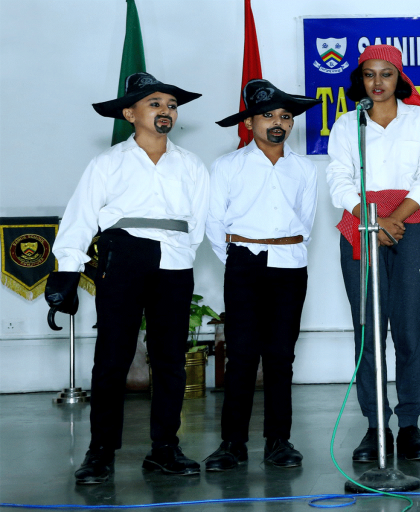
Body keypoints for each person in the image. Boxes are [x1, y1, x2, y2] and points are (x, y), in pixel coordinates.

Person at [44, 72, 209, 484]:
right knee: (112, 360)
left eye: (171, 105)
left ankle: (164, 449)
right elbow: (81, 217)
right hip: (123, 263)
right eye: (155, 104)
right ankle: (100, 452)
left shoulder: (190, 165)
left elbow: (200, 221)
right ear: (129, 113)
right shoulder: (108, 163)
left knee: (170, 360)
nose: (165, 111)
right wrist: (68, 268)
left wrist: (178, 258)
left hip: (173, 266)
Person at [324, 45, 420, 462]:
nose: (378, 83)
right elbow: (338, 179)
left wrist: (395, 218)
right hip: (361, 225)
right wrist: (370, 216)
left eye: (386, 74)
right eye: (370, 75)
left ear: (399, 79)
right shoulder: (347, 124)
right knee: (369, 332)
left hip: (411, 225)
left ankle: (410, 425)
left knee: (409, 329)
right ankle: (376, 425)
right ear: (361, 80)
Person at [202, 79, 320, 471]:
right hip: (244, 264)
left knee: (281, 356)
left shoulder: (304, 169)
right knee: (241, 355)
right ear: (250, 122)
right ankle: (232, 443)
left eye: (285, 116)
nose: (277, 123)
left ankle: (278, 441)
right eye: (268, 115)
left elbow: (306, 220)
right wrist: (239, 258)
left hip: (289, 265)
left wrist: (282, 248)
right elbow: (214, 221)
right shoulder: (228, 165)